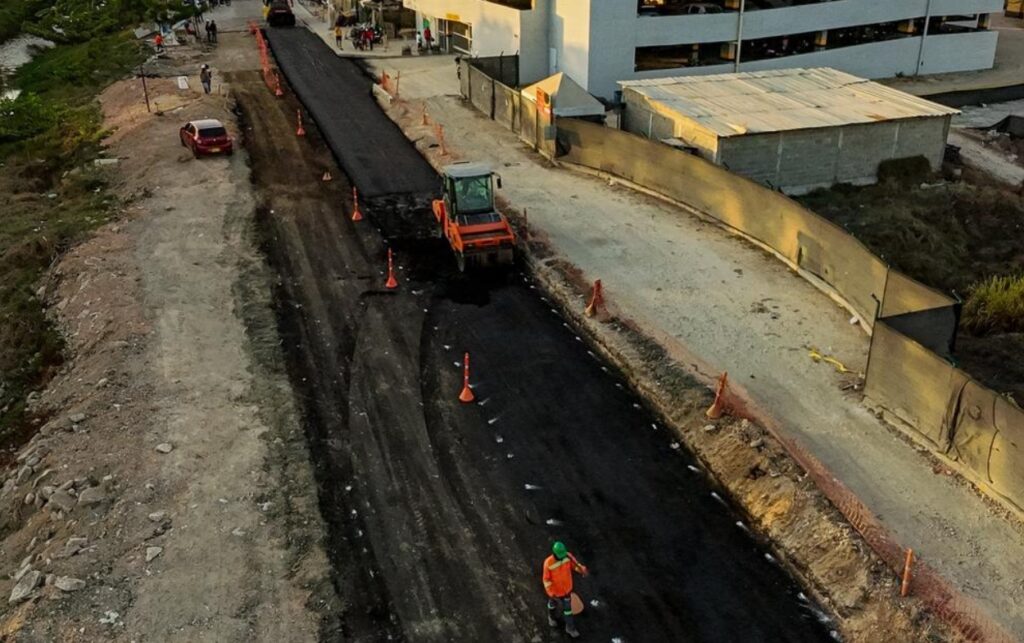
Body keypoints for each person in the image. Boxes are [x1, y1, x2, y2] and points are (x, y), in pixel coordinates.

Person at [541, 541, 588, 639]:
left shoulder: (567, 556)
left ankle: (570, 628)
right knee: (552, 605)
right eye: (560, 556)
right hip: (555, 593)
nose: (562, 557)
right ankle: (551, 617)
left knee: (568, 610)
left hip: (567, 590)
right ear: (554, 554)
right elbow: (546, 580)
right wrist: (551, 593)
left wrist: (581, 570)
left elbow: (574, 565)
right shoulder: (548, 563)